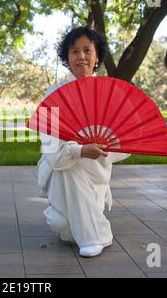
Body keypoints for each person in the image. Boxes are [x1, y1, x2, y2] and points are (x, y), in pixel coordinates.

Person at [37, 26, 130, 257]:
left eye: (87, 50)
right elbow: (52, 151)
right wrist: (79, 150)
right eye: (74, 51)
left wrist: (101, 148)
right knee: (69, 163)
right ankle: (95, 236)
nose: (81, 57)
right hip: (58, 170)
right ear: (67, 57)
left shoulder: (111, 93)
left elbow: (127, 144)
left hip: (96, 173)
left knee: (66, 228)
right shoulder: (54, 94)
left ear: (97, 55)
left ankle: (86, 230)